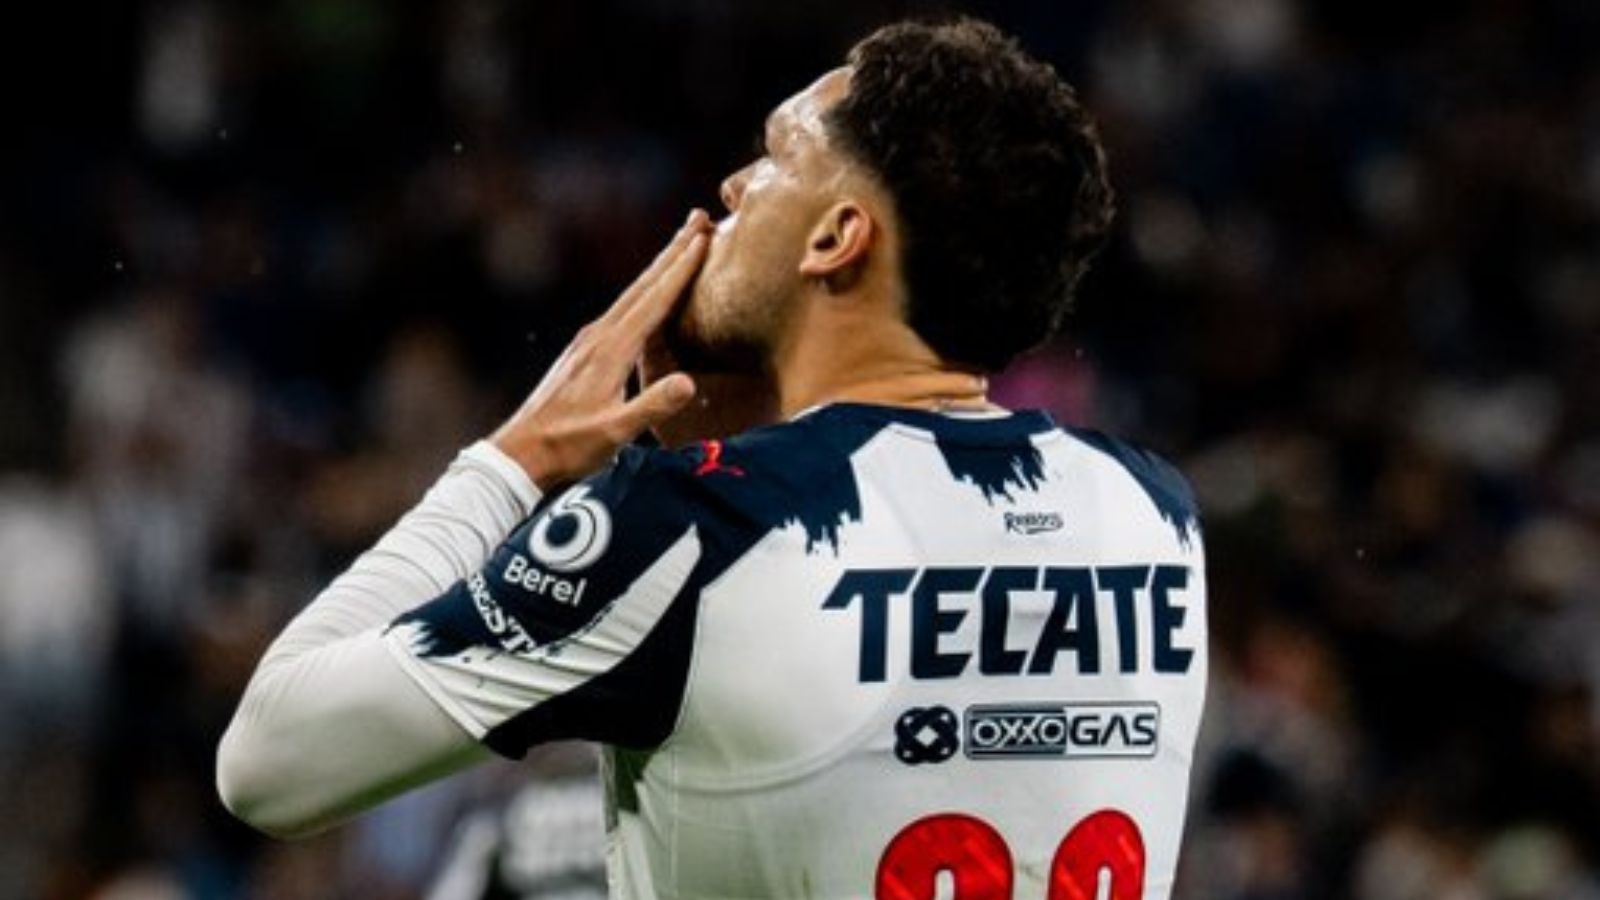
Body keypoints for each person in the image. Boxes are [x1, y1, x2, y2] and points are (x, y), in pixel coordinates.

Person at [217, 16, 1209, 900]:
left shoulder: (693, 531)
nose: (733, 188)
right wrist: (736, 454)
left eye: (776, 155)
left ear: (834, 238)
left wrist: (513, 461)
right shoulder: (1153, 516)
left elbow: (269, 762)